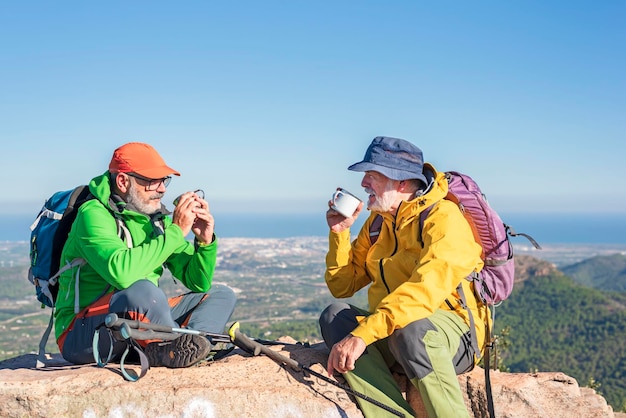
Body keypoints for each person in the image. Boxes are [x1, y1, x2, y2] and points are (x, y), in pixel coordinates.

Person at [319, 136, 489, 417]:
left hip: (450, 338)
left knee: (411, 329)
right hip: (395, 334)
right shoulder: (378, 223)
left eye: (372, 176)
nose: (363, 184)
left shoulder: (443, 220)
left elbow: (423, 293)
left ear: (401, 182)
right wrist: (339, 233)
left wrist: (363, 336)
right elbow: (342, 285)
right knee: (335, 317)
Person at [54, 142, 237, 368]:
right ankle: (167, 347)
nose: (162, 189)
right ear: (123, 181)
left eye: (164, 180)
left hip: (136, 320)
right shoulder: (93, 215)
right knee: (143, 292)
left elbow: (198, 282)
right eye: (152, 181)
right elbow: (122, 274)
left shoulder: (155, 220)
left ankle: (190, 346)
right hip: (81, 332)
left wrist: (204, 242)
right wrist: (177, 231)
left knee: (220, 294)